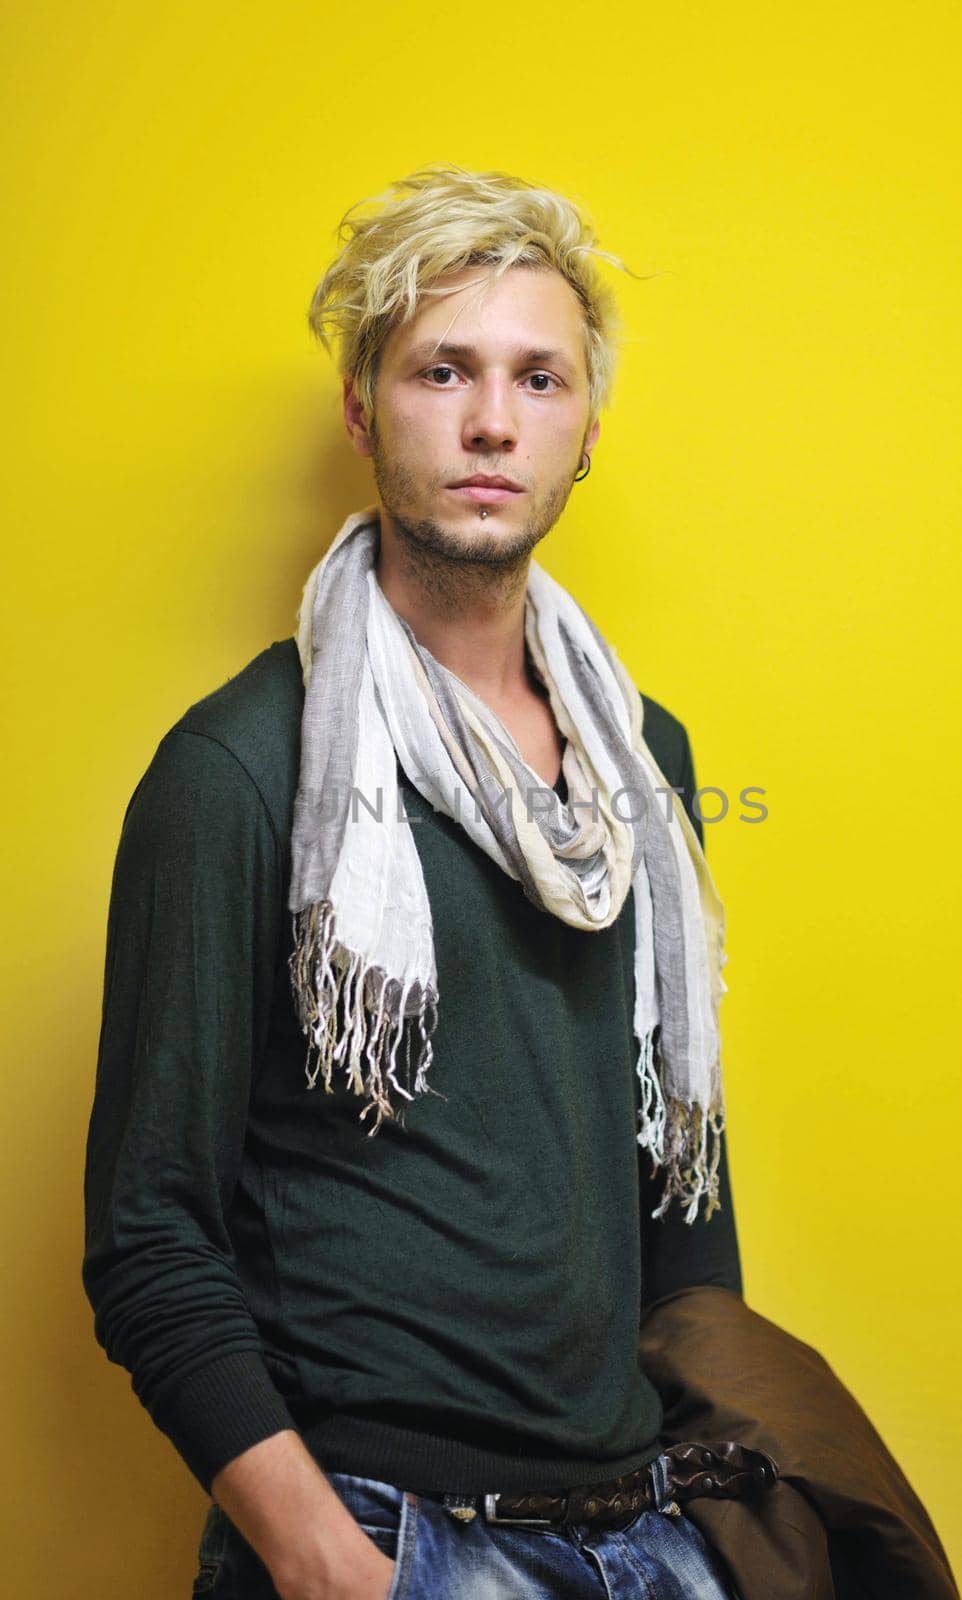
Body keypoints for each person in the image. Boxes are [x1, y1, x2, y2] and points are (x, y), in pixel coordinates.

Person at [82, 164, 773, 1600]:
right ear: (359, 405)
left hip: (647, 1532)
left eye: (540, 378)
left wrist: (714, 1515)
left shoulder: (644, 754)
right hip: (388, 1532)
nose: (489, 423)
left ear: (587, 428)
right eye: (440, 370)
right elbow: (150, 1232)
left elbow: (678, 1182)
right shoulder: (239, 767)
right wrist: (326, 1559)